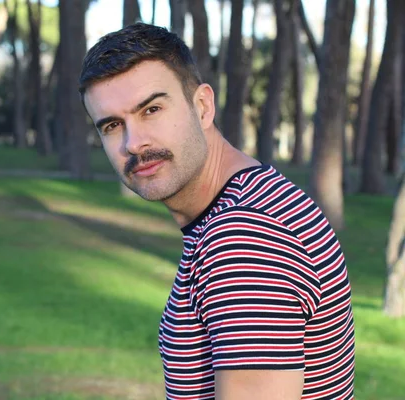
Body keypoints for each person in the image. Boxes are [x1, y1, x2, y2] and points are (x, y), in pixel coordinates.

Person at [78, 23, 355, 400]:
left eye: (152, 109)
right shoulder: (245, 205)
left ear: (203, 106)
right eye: (112, 125)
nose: (133, 142)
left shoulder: (245, 236)